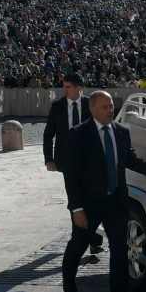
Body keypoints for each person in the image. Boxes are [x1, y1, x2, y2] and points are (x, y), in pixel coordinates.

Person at [62, 91, 146, 292]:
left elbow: (130, 160)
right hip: (89, 204)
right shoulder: (78, 135)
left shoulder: (122, 132)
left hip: (116, 202)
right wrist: (76, 208)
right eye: (104, 107)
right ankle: (68, 280)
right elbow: (71, 176)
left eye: (111, 106)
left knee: (120, 253)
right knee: (79, 243)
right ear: (92, 109)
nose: (110, 110)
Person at [43, 73, 104, 254]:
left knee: (91, 200)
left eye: (68, 86)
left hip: (90, 161)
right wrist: (49, 159)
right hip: (67, 161)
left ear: (79, 88)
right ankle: (80, 238)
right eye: (64, 86)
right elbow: (48, 134)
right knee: (75, 200)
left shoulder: (90, 105)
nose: (65, 90)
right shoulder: (57, 106)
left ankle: (92, 238)